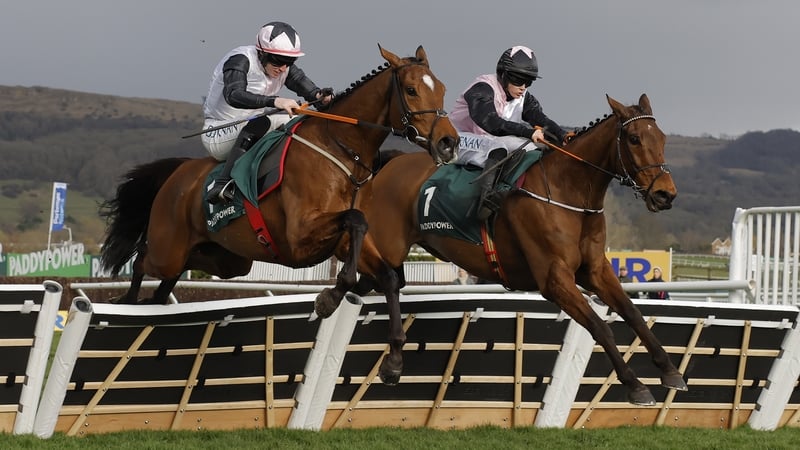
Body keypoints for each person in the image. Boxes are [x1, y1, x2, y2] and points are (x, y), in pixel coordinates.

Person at [201, 21, 333, 204]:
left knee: (302, 119)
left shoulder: (283, 67)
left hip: (251, 127)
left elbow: (305, 86)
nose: (283, 68)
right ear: (262, 52)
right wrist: (275, 101)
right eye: (278, 61)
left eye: (290, 62)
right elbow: (234, 95)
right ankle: (223, 184)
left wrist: (321, 96)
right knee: (268, 120)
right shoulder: (240, 60)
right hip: (219, 131)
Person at [449, 45, 569, 220]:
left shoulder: (523, 97)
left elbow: (540, 118)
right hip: (456, 139)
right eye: (519, 80)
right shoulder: (482, 88)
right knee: (497, 148)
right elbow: (491, 124)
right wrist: (528, 132)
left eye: (528, 82)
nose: (523, 87)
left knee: (530, 149)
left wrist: (563, 135)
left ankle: (510, 191)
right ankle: (485, 201)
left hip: (488, 139)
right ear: (503, 74)